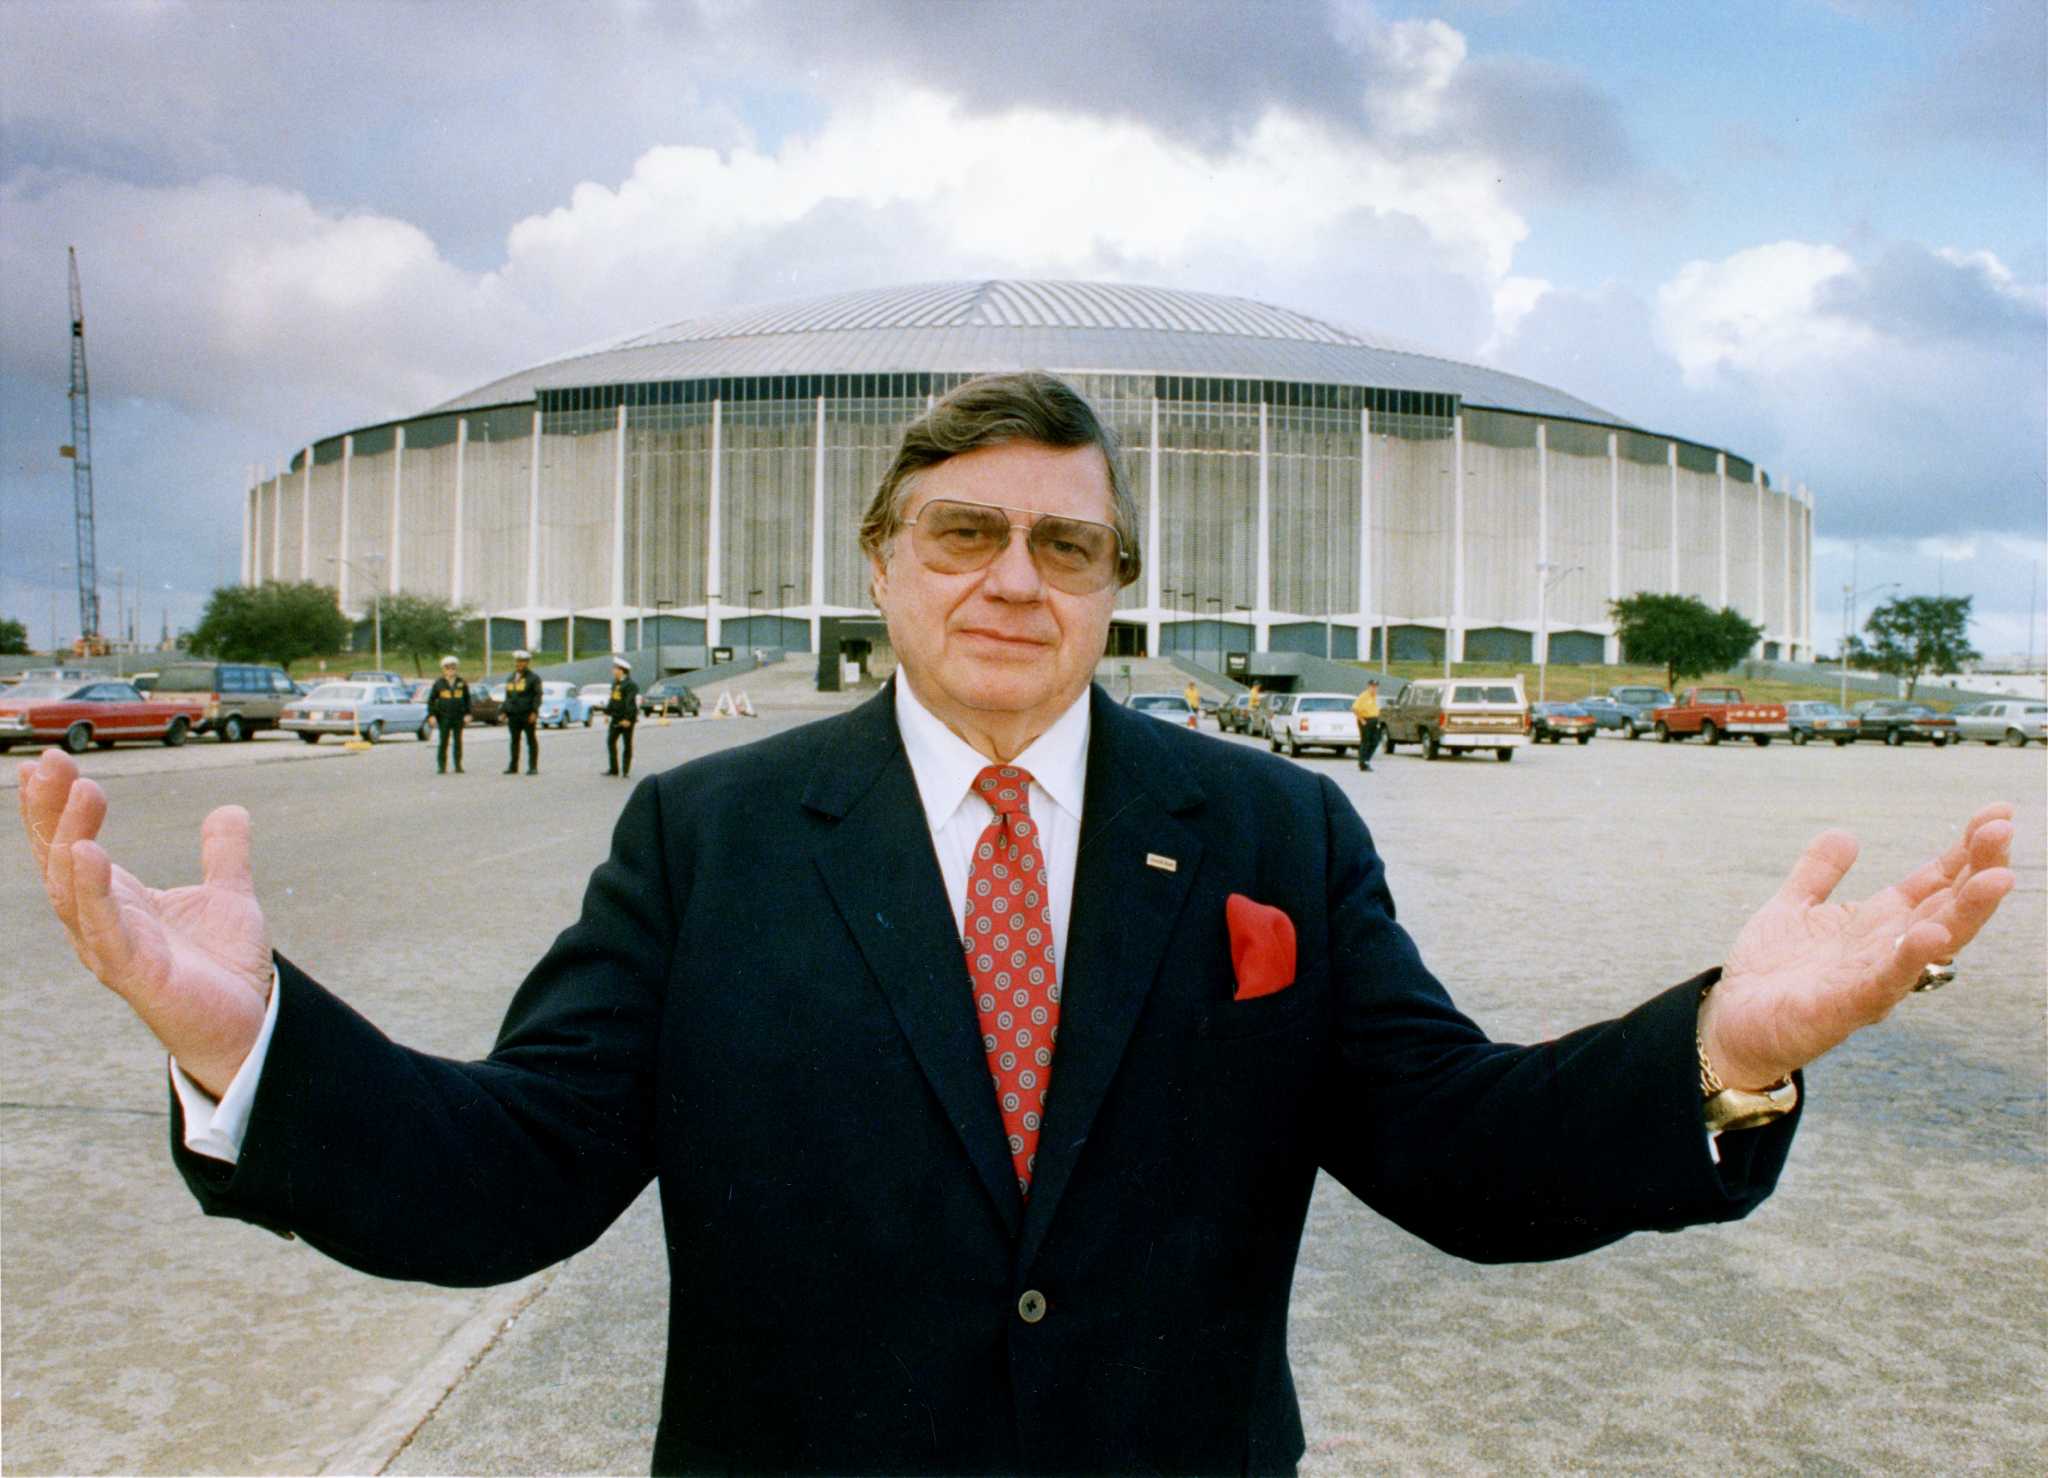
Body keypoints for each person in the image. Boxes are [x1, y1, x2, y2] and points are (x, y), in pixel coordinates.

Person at [16, 373, 2016, 1477]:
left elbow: (1459, 1150)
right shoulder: (711, 835)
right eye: (961, 530)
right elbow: (515, 1174)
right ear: (884, 562)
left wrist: (1724, 1052)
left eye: (1065, 542)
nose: (1009, 575)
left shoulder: (1267, 831)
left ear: (1116, 586)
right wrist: (248, 1049)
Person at [426, 656, 471, 774]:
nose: (451, 671)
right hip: (444, 717)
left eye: (453, 668)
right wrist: (431, 715)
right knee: (443, 741)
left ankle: (458, 765)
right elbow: (431, 700)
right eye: (448, 668)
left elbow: (467, 699)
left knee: (458, 741)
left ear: (456, 669)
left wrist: (468, 714)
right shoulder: (439, 683)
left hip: (458, 716)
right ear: (443, 669)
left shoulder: (461, 682)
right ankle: (442, 766)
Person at [500, 650, 541, 775]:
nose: (519, 664)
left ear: (527, 662)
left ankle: (533, 767)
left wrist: (534, 712)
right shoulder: (510, 678)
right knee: (514, 741)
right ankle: (513, 766)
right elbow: (508, 697)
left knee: (531, 740)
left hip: (527, 714)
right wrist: (504, 711)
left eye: (522, 661)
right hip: (513, 715)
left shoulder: (533, 678)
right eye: (517, 661)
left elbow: (537, 696)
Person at [603, 656, 640, 778]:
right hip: (616, 718)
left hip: (626, 719)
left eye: (615, 669)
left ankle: (625, 770)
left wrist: (628, 719)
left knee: (627, 744)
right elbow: (613, 700)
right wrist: (607, 713)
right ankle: (614, 769)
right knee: (610, 741)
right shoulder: (615, 683)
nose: (613, 671)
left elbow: (630, 703)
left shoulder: (631, 685)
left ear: (622, 670)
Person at [1353, 678, 1384, 771]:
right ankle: (1363, 763)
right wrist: (1362, 720)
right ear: (1368, 686)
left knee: (1375, 741)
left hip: (1374, 721)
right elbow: (1355, 708)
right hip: (1366, 720)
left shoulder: (1374, 696)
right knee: (1365, 742)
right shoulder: (1363, 696)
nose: (1374, 688)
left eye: (1376, 687)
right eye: (1372, 686)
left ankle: (1366, 759)